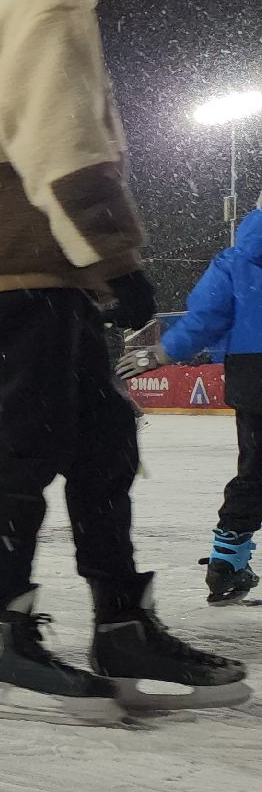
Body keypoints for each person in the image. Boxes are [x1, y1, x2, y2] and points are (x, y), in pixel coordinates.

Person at [0, 0, 246, 720]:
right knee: (33, 440)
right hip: (39, 261)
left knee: (101, 436)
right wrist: (113, 256)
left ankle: (119, 622)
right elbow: (60, 138)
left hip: (30, 261)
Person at [121, 201, 262, 604]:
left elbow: (205, 318)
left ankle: (227, 564)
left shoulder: (235, 260)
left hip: (255, 375)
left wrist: (162, 352)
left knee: (255, 471)